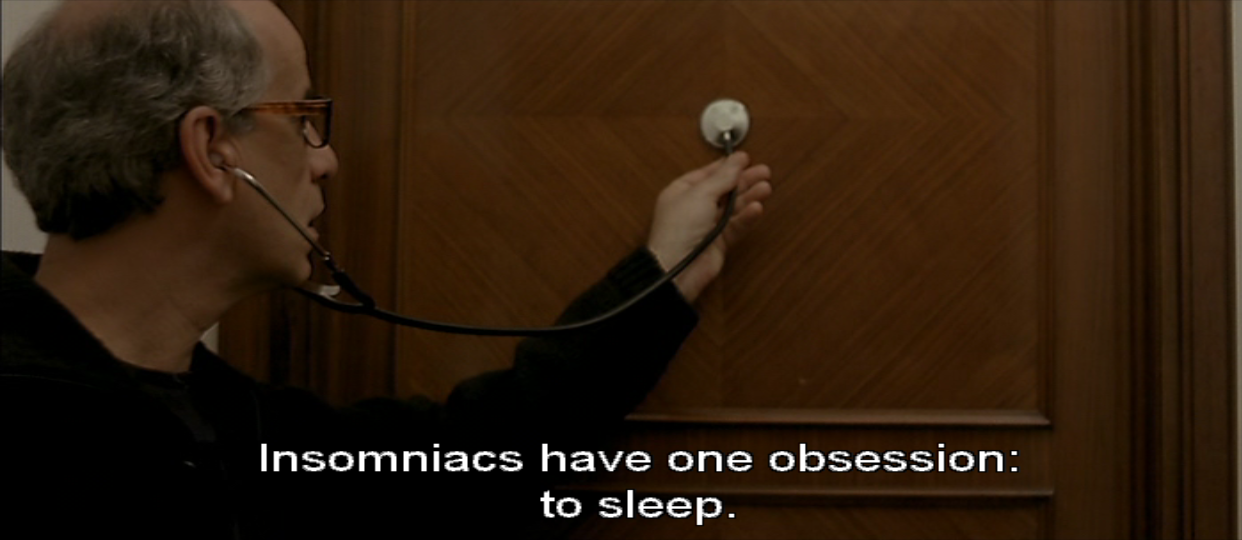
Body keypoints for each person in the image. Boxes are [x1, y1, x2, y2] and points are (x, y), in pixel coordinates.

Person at [0, 1, 772, 538]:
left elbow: (472, 466)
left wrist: (658, 278)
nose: (326, 160)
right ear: (212, 149)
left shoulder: (225, 421)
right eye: (302, 119)